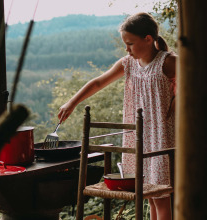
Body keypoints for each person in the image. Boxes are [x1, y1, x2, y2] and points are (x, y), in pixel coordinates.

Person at [58, 12, 176, 220]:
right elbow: (98, 82)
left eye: (130, 43)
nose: (126, 49)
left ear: (148, 39)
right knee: (147, 194)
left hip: (161, 137)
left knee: (161, 195)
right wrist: (72, 102)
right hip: (139, 137)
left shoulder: (167, 62)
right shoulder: (128, 64)